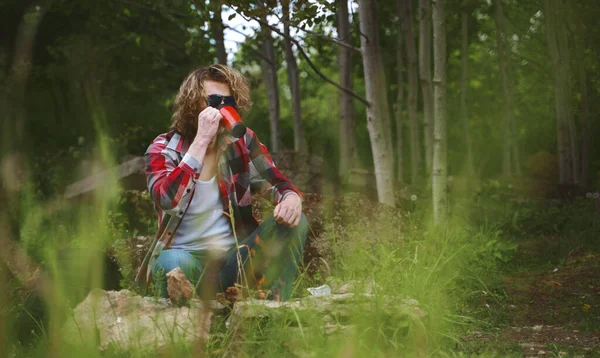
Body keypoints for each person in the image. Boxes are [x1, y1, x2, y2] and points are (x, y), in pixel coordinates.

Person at [135, 64, 307, 301]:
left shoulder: (242, 142)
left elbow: (278, 184)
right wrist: (202, 140)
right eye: (214, 101)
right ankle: (191, 328)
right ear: (192, 104)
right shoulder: (163, 149)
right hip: (187, 261)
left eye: (229, 102)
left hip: (234, 262)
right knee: (171, 262)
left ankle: (274, 311)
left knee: (294, 221)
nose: (222, 108)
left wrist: (291, 198)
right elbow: (167, 200)